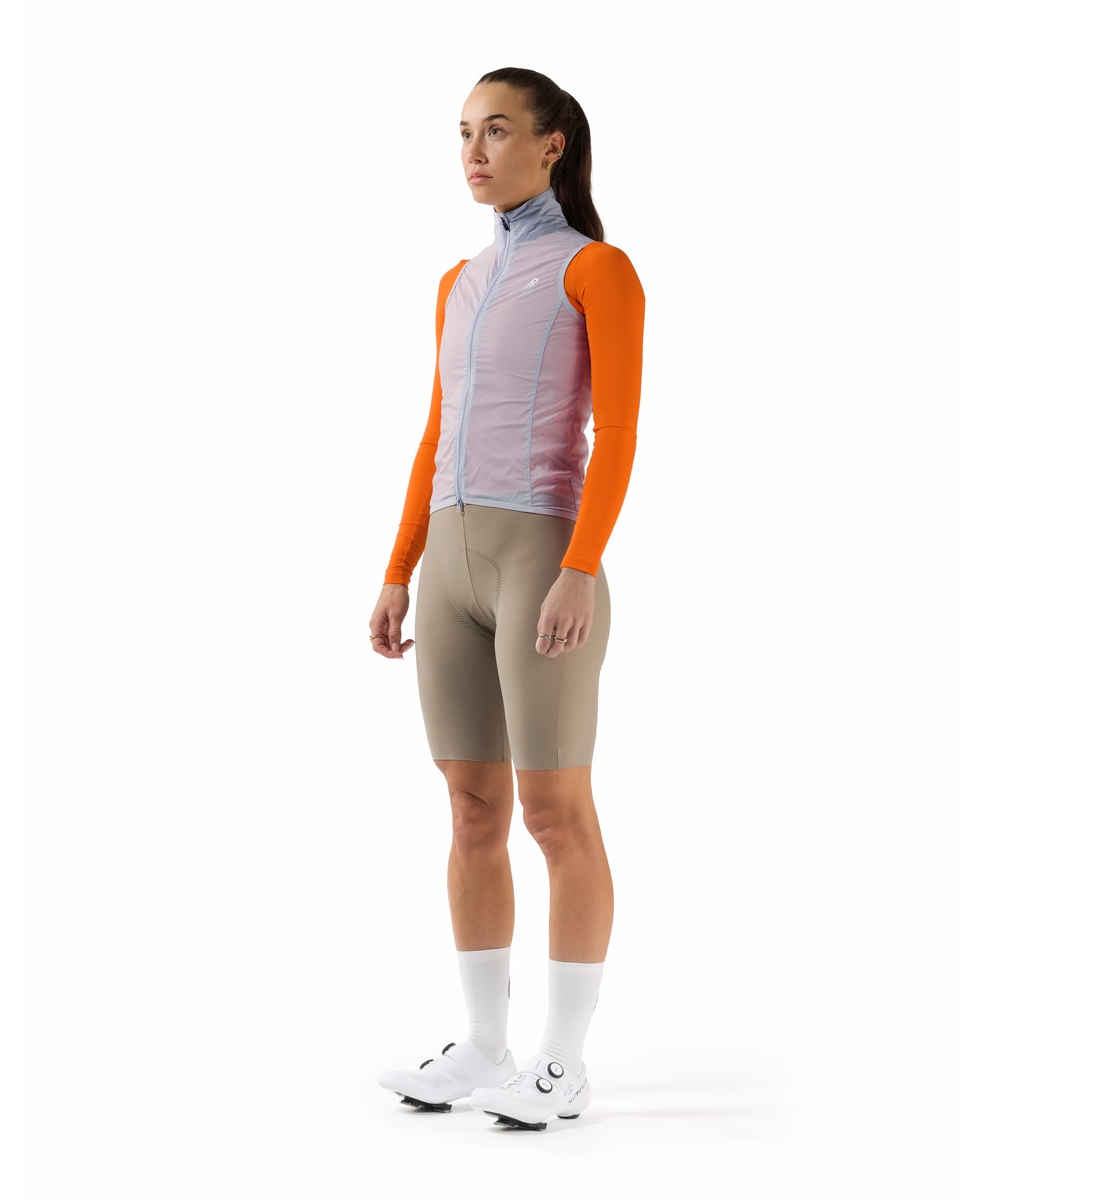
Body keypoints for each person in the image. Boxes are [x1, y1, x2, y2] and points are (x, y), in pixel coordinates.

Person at [369, 66, 645, 1131]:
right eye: (463, 133)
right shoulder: (458, 281)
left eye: (496, 131)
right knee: (471, 808)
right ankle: (485, 1047)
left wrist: (580, 564)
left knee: (554, 812)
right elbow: (434, 435)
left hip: (540, 554)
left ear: (552, 145)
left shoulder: (596, 270)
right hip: (448, 563)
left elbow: (617, 434)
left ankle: (561, 1064)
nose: (474, 152)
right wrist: (399, 571)